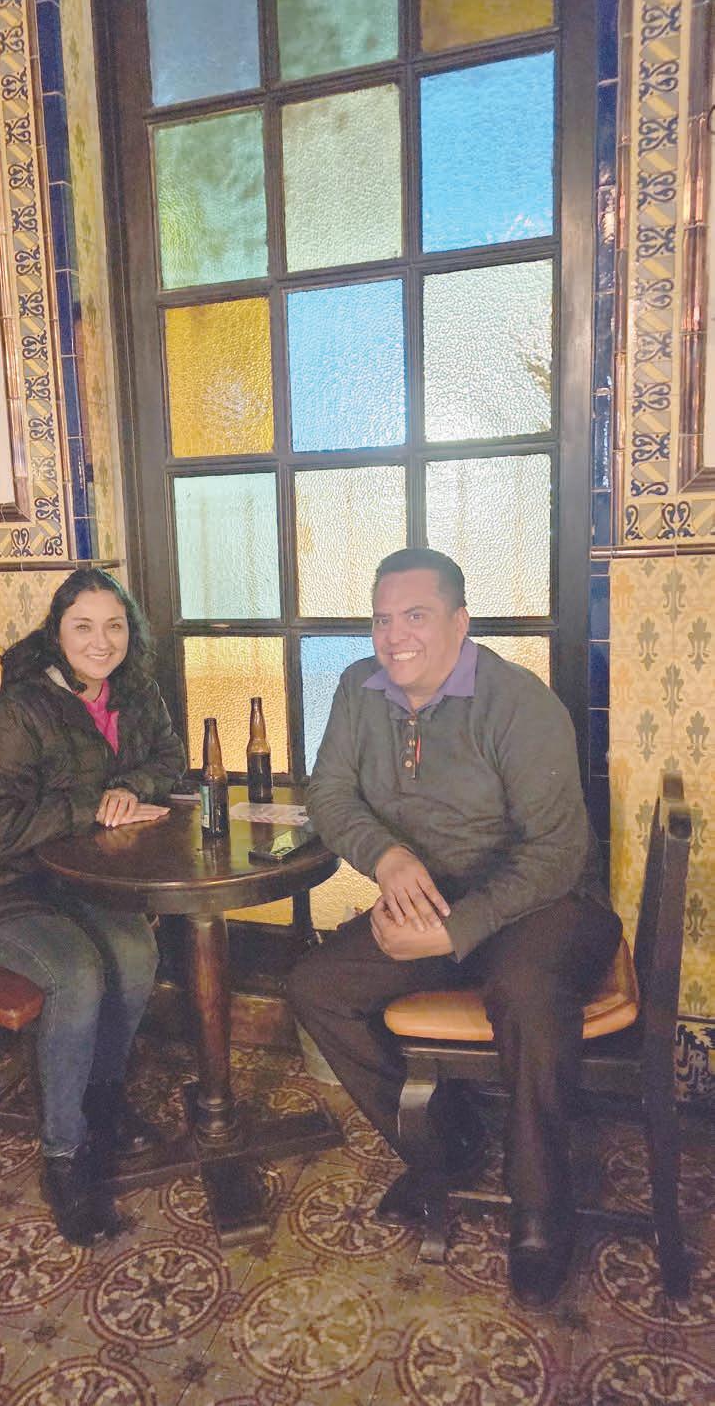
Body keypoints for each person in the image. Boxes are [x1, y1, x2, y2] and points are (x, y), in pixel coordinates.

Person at [288, 548, 621, 1306]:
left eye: (416, 615)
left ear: (460, 622)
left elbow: (559, 853)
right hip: (435, 898)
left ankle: (541, 1206)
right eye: (382, 619)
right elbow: (329, 794)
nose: (394, 635)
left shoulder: (517, 702)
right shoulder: (357, 689)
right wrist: (387, 856)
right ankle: (447, 1142)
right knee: (317, 986)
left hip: (547, 903)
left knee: (526, 989)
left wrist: (453, 932)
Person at [0, 568, 185, 1246]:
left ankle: (101, 1102)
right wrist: (90, 806)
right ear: (57, 632)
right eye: (83, 626)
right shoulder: (22, 708)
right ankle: (65, 1155)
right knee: (76, 973)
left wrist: (131, 784)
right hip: (0, 887)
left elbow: (169, 758)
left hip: (81, 881)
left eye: (115, 625)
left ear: (130, 632)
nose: (101, 641)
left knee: (136, 951)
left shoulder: (136, 692)